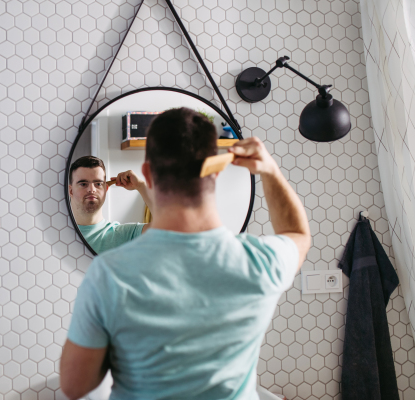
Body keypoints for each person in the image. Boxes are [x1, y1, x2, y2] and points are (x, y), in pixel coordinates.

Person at [60, 108, 311, 399]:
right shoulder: (259, 261)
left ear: (148, 174)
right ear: (216, 169)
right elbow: (298, 235)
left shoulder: (109, 274)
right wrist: (270, 170)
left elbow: (75, 385)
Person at [68, 156, 153, 253]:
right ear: (71, 191)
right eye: (83, 184)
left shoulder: (126, 235)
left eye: (98, 184)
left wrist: (141, 185)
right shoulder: (56, 234)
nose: (91, 189)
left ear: (106, 189)